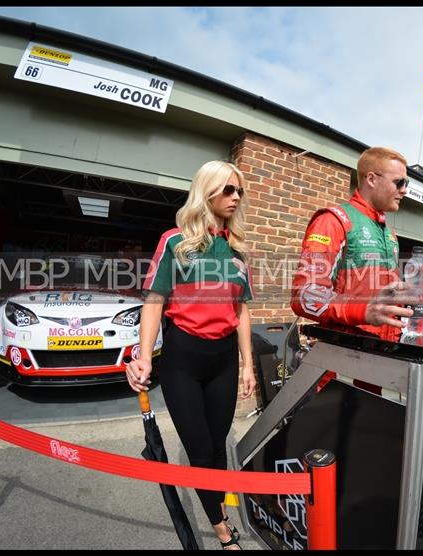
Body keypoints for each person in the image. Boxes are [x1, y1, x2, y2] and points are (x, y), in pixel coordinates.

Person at [126, 160, 256, 550]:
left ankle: (215, 501)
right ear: (208, 190)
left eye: (240, 191)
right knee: (199, 449)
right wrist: (144, 356)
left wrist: (248, 363)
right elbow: (154, 302)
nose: (236, 197)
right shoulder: (175, 242)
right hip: (183, 357)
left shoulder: (237, 251)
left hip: (223, 360)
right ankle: (221, 529)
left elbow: (242, 311)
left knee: (217, 446)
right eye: (228, 190)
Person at [290, 147, 413, 341]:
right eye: (399, 183)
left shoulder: (390, 234)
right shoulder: (333, 221)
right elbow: (305, 296)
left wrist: (412, 303)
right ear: (371, 179)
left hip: (387, 351)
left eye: (406, 183)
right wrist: (363, 310)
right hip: (345, 355)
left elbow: (386, 294)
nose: (404, 190)